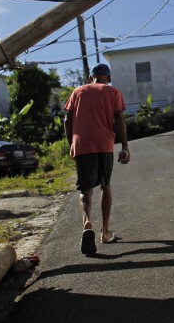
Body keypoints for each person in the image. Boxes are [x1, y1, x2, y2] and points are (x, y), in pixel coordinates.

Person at [64, 63, 130, 255]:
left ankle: (87, 223)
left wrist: (71, 145)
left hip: (82, 145)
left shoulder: (77, 92)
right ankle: (106, 232)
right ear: (107, 78)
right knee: (105, 185)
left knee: (85, 189)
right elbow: (119, 119)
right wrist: (125, 146)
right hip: (104, 143)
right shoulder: (113, 92)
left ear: (91, 77)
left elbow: (67, 120)